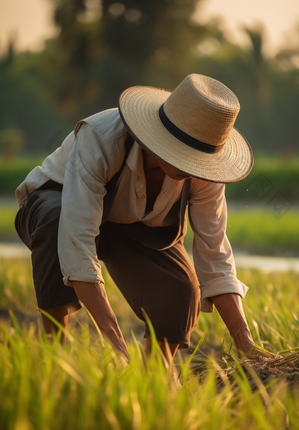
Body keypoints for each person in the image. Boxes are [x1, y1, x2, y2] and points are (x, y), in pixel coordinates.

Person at [15, 73, 255, 364]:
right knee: (56, 223)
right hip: (58, 204)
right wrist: (116, 344)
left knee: (180, 286)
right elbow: (76, 239)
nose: (191, 168)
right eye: (183, 156)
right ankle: (54, 357)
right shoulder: (103, 138)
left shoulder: (207, 171)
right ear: (161, 137)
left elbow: (215, 254)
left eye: (197, 161)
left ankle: (157, 373)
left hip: (129, 223)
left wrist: (246, 342)